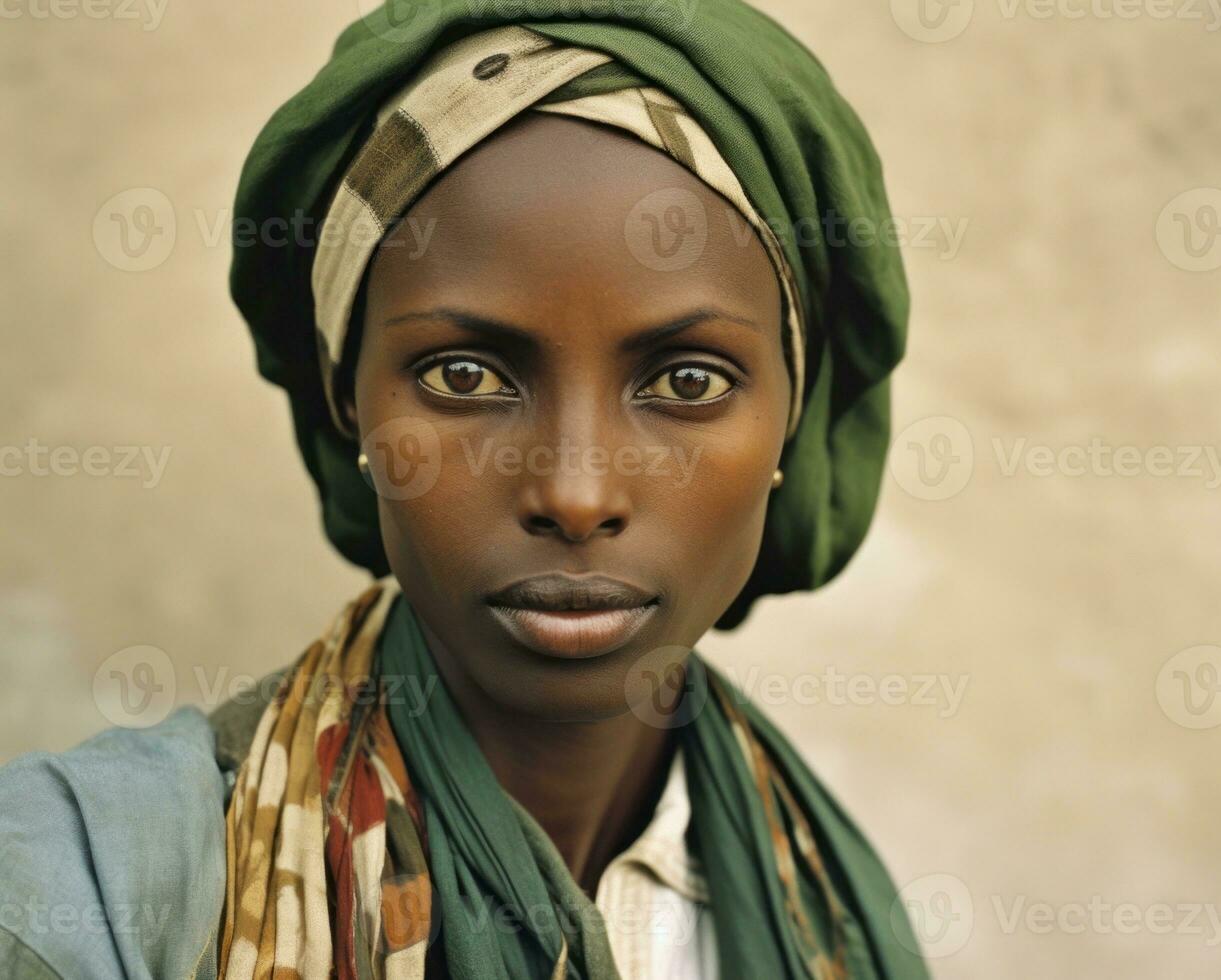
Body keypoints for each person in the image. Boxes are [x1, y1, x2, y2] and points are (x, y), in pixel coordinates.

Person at [0, 2, 925, 977]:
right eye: (463, 375)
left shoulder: (830, 907)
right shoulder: (78, 897)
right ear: (346, 400)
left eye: (686, 381)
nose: (574, 493)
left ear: (790, 418)